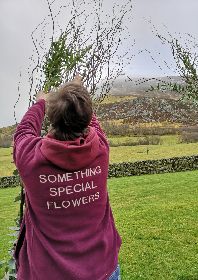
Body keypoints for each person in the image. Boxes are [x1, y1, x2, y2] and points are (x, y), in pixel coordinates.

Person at [13, 75, 122, 280]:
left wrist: (41, 102)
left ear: (52, 118)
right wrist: (76, 94)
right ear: (86, 118)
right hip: (102, 269)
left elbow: (23, 131)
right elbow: (92, 122)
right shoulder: (100, 149)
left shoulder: (30, 158)